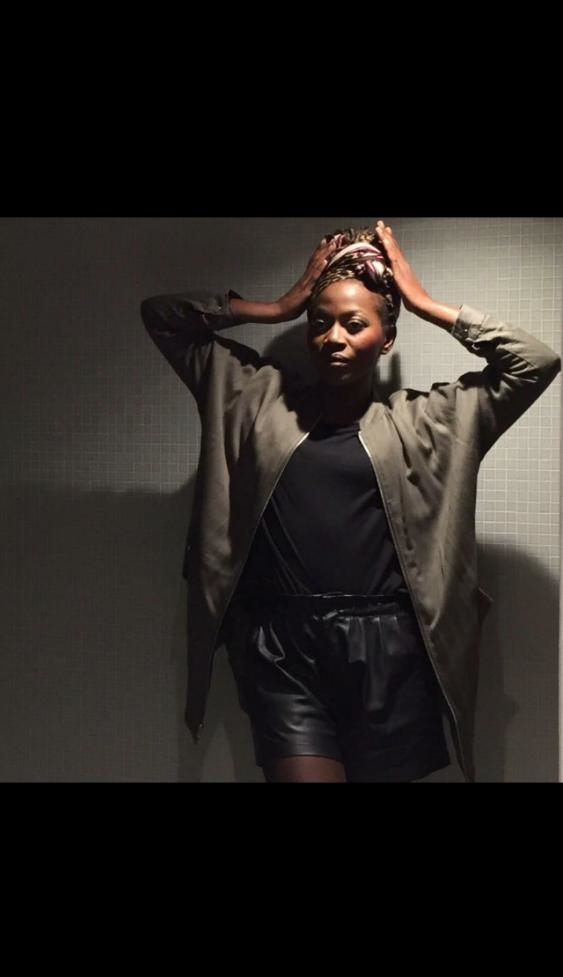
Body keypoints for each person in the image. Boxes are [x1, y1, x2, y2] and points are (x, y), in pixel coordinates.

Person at [140, 220, 561, 782]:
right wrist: (278, 307)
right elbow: (163, 317)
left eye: (355, 324)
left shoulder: (431, 421)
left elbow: (535, 362)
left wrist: (423, 303)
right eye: (319, 322)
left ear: (387, 338)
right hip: (282, 649)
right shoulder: (252, 399)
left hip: (390, 648)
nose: (333, 337)